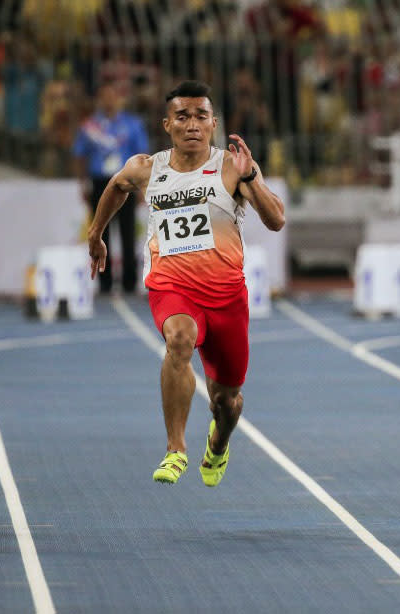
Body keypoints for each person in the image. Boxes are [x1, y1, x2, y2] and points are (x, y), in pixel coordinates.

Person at [87, 80, 285, 486]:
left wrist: (253, 177)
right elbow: (116, 186)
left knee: (226, 402)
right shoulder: (148, 167)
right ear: (167, 124)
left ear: (213, 123)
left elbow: (277, 219)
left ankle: (219, 442)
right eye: (182, 116)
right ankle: (175, 448)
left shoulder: (232, 167)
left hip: (227, 297)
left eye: (200, 116)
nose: (191, 124)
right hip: (172, 287)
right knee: (178, 339)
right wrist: (96, 235)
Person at [74, 83, 149, 294]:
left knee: (128, 234)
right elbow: (79, 154)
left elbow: (142, 156)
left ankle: (129, 282)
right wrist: (83, 183)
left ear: (119, 99)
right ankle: (104, 283)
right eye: (104, 96)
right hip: (99, 183)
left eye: (112, 96)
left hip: (126, 183)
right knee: (100, 233)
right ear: (99, 99)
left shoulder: (132, 124)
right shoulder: (90, 126)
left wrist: (142, 188)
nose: (108, 100)